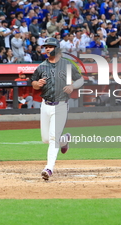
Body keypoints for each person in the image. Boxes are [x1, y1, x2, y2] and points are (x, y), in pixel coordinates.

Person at [31, 37, 84, 180]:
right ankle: (64, 140)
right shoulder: (42, 66)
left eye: (50, 46)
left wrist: (73, 86)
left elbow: (80, 79)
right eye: (46, 46)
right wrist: (38, 84)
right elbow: (33, 83)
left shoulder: (67, 64)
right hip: (45, 105)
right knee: (46, 139)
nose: (47, 49)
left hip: (60, 105)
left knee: (53, 138)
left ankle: (48, 169)